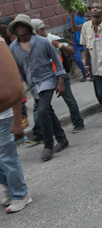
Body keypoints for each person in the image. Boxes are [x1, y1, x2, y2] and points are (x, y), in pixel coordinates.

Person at [9, 14, 69, 162]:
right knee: (47, 110)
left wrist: (60, 82)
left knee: (42, 111)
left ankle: (48, 146)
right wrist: (20, 89)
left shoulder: (43, 42)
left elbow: (56, 61)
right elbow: (17, 71)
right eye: (18, 26)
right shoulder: (13, 48)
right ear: (15, 29)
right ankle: (62, 139)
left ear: (29, 27)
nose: (20, 27)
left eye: (23, 25)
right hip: (33, 85)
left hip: (48, 80)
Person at [32, 19, 85, 134]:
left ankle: (78, 122)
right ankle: (39, 131)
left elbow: (71, 50)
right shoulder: (33, 43)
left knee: (69, 99)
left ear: (41, 30)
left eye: (33, 32)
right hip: (44, 78)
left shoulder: (53, 38)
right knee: (39, 105)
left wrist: (59, 45)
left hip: (58, 75)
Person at [0, 37, 32, 213]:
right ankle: (8, 188)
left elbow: (15, 89)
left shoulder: (1, 48)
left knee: (7, 157)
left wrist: (17, 122)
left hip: (4, 117)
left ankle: (21, 194)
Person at [69, 9, 91, 81]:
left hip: (86, 41)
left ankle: (91, 73)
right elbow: (71, 29)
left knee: (90, 59)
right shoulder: (73, 17)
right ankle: (84, 72)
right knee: (77, 58)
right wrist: (71, 38)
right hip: (77, 42)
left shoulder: (87, 18)